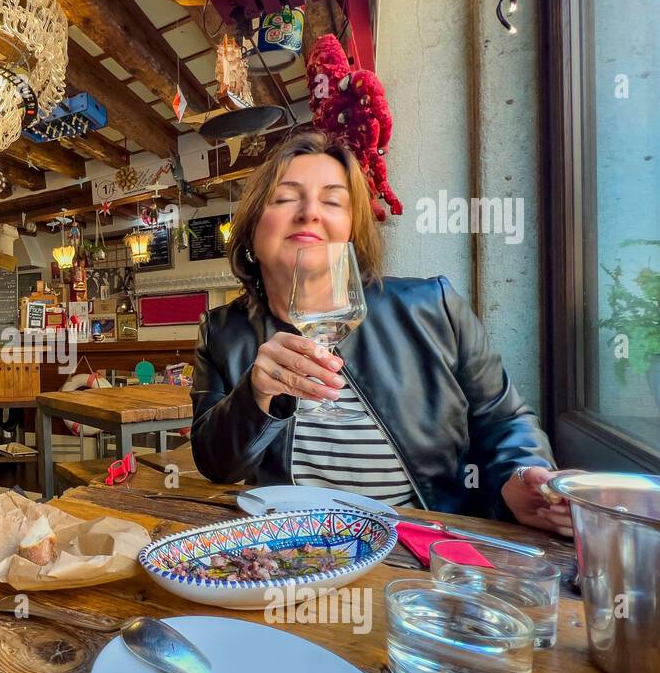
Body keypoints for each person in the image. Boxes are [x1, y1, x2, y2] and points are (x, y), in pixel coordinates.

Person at [191, 131, 572, 536]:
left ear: (352, 229)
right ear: (251, 229)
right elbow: (217, 465)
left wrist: (518, 478)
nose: (309, 213)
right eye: (285, 197)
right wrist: (256, 396)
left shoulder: (431, 307)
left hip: (425, 544)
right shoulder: (222, 332)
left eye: (333, 200)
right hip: (294, 546)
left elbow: (503, 419)